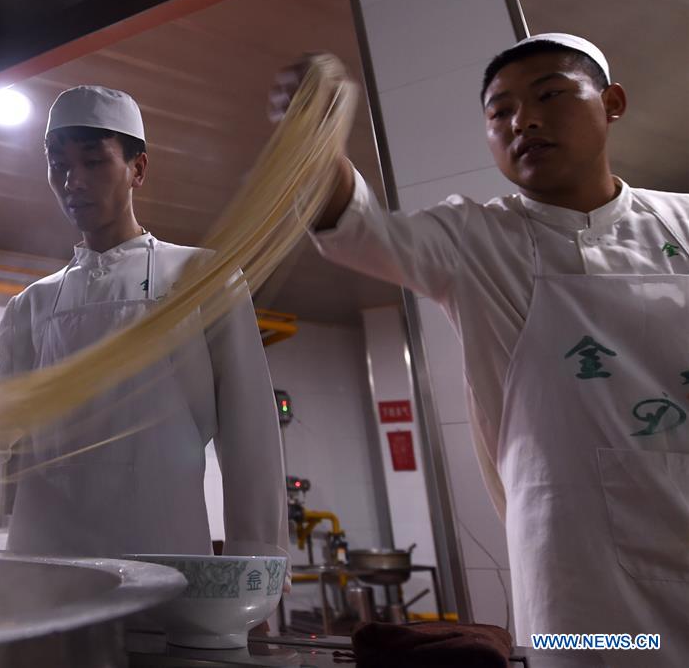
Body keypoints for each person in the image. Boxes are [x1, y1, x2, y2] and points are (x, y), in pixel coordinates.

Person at [273, 34, 687, 664]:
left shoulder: (681, 224)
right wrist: (312, 133)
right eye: (501, 112)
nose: (524, 120)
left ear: (613, 103)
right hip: (578, 583)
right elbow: (357, 227)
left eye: (549, 94)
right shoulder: (475, 237)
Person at [0, 86, 289, 562]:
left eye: (93, 162)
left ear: (138, 168)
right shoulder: (33, 304)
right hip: (45, 560)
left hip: (163, 555)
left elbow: (251, 439)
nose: (72, 180)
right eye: (59, 163)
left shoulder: (201, 279)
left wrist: (254, 570)